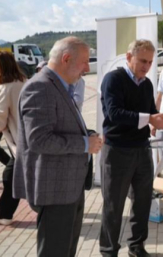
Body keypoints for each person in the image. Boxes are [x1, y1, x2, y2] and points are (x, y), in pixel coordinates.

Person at [13, 36, 103, 257]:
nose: (87, 67)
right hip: (54, 190)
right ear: (66, 58)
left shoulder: (59, 85)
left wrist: (87, 134)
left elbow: (62, 126)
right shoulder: (40, 87)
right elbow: (39, 140)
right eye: (84, 61)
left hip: (68, 188)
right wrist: (84, 143)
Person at [99, 39, 163, 257]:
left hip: (142, 150)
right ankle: (109, 251)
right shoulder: (113, 79)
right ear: (128, 57)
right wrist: (150, 118)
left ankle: (137, 247)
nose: (146, 66)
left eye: (150, 62)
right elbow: (114, 114)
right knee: (114, 205)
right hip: (117, 151)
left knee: (142, 203)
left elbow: (149, 111)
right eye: (142, 61)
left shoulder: (147, 84)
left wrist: (157, 122)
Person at [0, 51, 26, 225]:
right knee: (13, 174)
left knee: (11, 176)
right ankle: (5, 213)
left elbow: (0, 117)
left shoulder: (6, 87)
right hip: (29, 137)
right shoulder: (25, 81)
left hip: (19, 140)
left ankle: (5, 214)